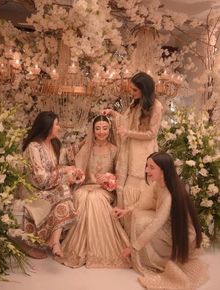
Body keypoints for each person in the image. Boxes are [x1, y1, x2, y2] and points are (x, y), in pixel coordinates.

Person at [113, 152, 208, 290]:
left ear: (163, 170)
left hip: (179, 237)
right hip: (170, 227)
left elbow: (156, 224)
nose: (146, 170)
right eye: (147, 166)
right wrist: (127, 210)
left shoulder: (169, 194)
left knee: (143, 224)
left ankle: (161, 259)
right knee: (139, 215)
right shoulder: (159, 184)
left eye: (151, 167)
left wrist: (132, 248)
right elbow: (144, 202)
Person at [58, 115, 130, 268]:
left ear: (109, 130)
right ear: (93, 130)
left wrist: (109, 178)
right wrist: (78, 176)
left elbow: (121, 174)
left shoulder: (114, 149)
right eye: (98, 128)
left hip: (104, 189)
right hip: (86, 187)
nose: (101, 131)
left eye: (105, 128)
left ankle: (100, 251)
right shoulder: (87, 147)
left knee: (95, 198)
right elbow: (79, 170)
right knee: (83, 196)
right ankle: (80, 250)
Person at [102, 71, 163, 234]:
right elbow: (125, 122)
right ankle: (124, 233)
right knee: (125, 188)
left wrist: (128, 133)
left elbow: (152, 134)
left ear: (145, 89)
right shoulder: (135, 103)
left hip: (143, 153)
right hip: (129, 150)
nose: (132, 93)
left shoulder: (156, 106)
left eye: (135, 90)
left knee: (139, 189)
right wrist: (113, 113)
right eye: (132, 89)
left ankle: (136, 234)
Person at [22, 111, 77, 258]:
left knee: (65, 189)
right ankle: (54, 243)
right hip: (35, 190)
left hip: (50, 188)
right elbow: (40, 179)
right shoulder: (34, 147)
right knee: (64, 190)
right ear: (47, 127)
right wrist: (64, 176)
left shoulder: (54, 144)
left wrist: (69, 171)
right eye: (57, 124)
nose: (59, 127)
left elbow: (55, 169)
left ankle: (54, 242)